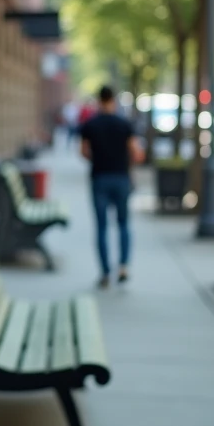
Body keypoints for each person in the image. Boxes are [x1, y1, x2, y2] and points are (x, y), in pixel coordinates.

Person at [79, 85, 142, 288]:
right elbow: (138, 153)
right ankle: (123, 266)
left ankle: (105, 272)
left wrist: (97, 158)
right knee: (123, 224)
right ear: (113, 100)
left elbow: (83, 152)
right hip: (121, 178)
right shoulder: (124, 124)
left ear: (99, 100)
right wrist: (126, 163)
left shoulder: (90, 125)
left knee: (101, 227)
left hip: (99, 178)